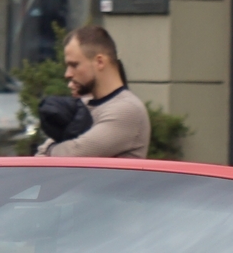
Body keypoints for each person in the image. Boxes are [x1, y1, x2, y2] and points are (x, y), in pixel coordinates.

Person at [36, 26, 150, 159]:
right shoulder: (84, 104)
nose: (67, 74)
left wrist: (49, 150)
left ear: (100, 62)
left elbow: (72, 154)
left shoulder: (127, 110)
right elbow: (40, 154)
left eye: (74, 65)